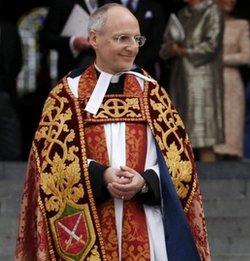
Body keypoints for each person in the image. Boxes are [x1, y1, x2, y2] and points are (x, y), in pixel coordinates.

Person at [15, 4, 210, 260]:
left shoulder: (152, 94)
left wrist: (145, 181)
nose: (132, 47)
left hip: (147, 227)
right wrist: (101, 175)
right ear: (94, 39)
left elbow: (181, 163)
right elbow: (50, 165)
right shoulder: (67, 95)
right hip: (87, 224)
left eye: (136, 39)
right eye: (121, 38)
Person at [160, 0, 224, 162]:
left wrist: (183, 50)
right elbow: (165, 46)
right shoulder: (182, 14)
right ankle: (186, 182)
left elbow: (211, 45)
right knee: (181, 135)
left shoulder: (212, 10)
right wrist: (171, 49)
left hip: (202, 81)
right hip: (180, 79)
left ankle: (214, 183)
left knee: (204, 136)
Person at [213, 0, 250, 160]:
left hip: (231, 81)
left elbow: (246, 55)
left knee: (232, 133)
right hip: (205, 82)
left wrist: (215, 59)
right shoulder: (202, 24)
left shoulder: (241, 24)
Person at [101, 0, 166, 77]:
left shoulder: (153, 7)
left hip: (145, 69)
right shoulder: (107, 5)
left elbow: (157, 42)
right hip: (112, 70)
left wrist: (135, 65)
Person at [40, 0, 102, 79]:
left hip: (104, 73)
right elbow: (45, 38)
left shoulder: (110, 3)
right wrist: (72, 42)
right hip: (72, 70)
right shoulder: (62, 3)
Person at [0, 20, 22, 160]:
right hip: (4, 90)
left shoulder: (8, 29)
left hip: (4, 89)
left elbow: (17, 62)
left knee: (10, 143)